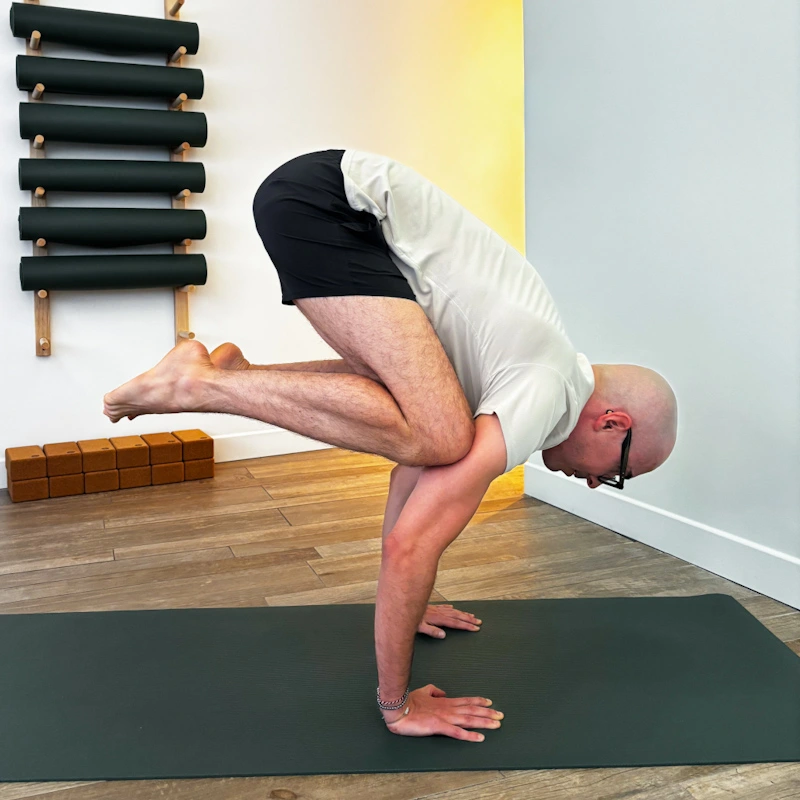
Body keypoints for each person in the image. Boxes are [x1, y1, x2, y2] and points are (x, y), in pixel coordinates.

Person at [104, 148, 678, 743]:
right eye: (619, 473)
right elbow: (411, 542)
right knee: (441, 432)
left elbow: (412, 486)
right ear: (613, 424)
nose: (594, 483)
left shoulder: (524, 368)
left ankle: (230, 373)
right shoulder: (546, 391)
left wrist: (410, 603)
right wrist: (396, 703)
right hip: (334, 202)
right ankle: (200, 384)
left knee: (434, 429)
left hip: (323, 197)